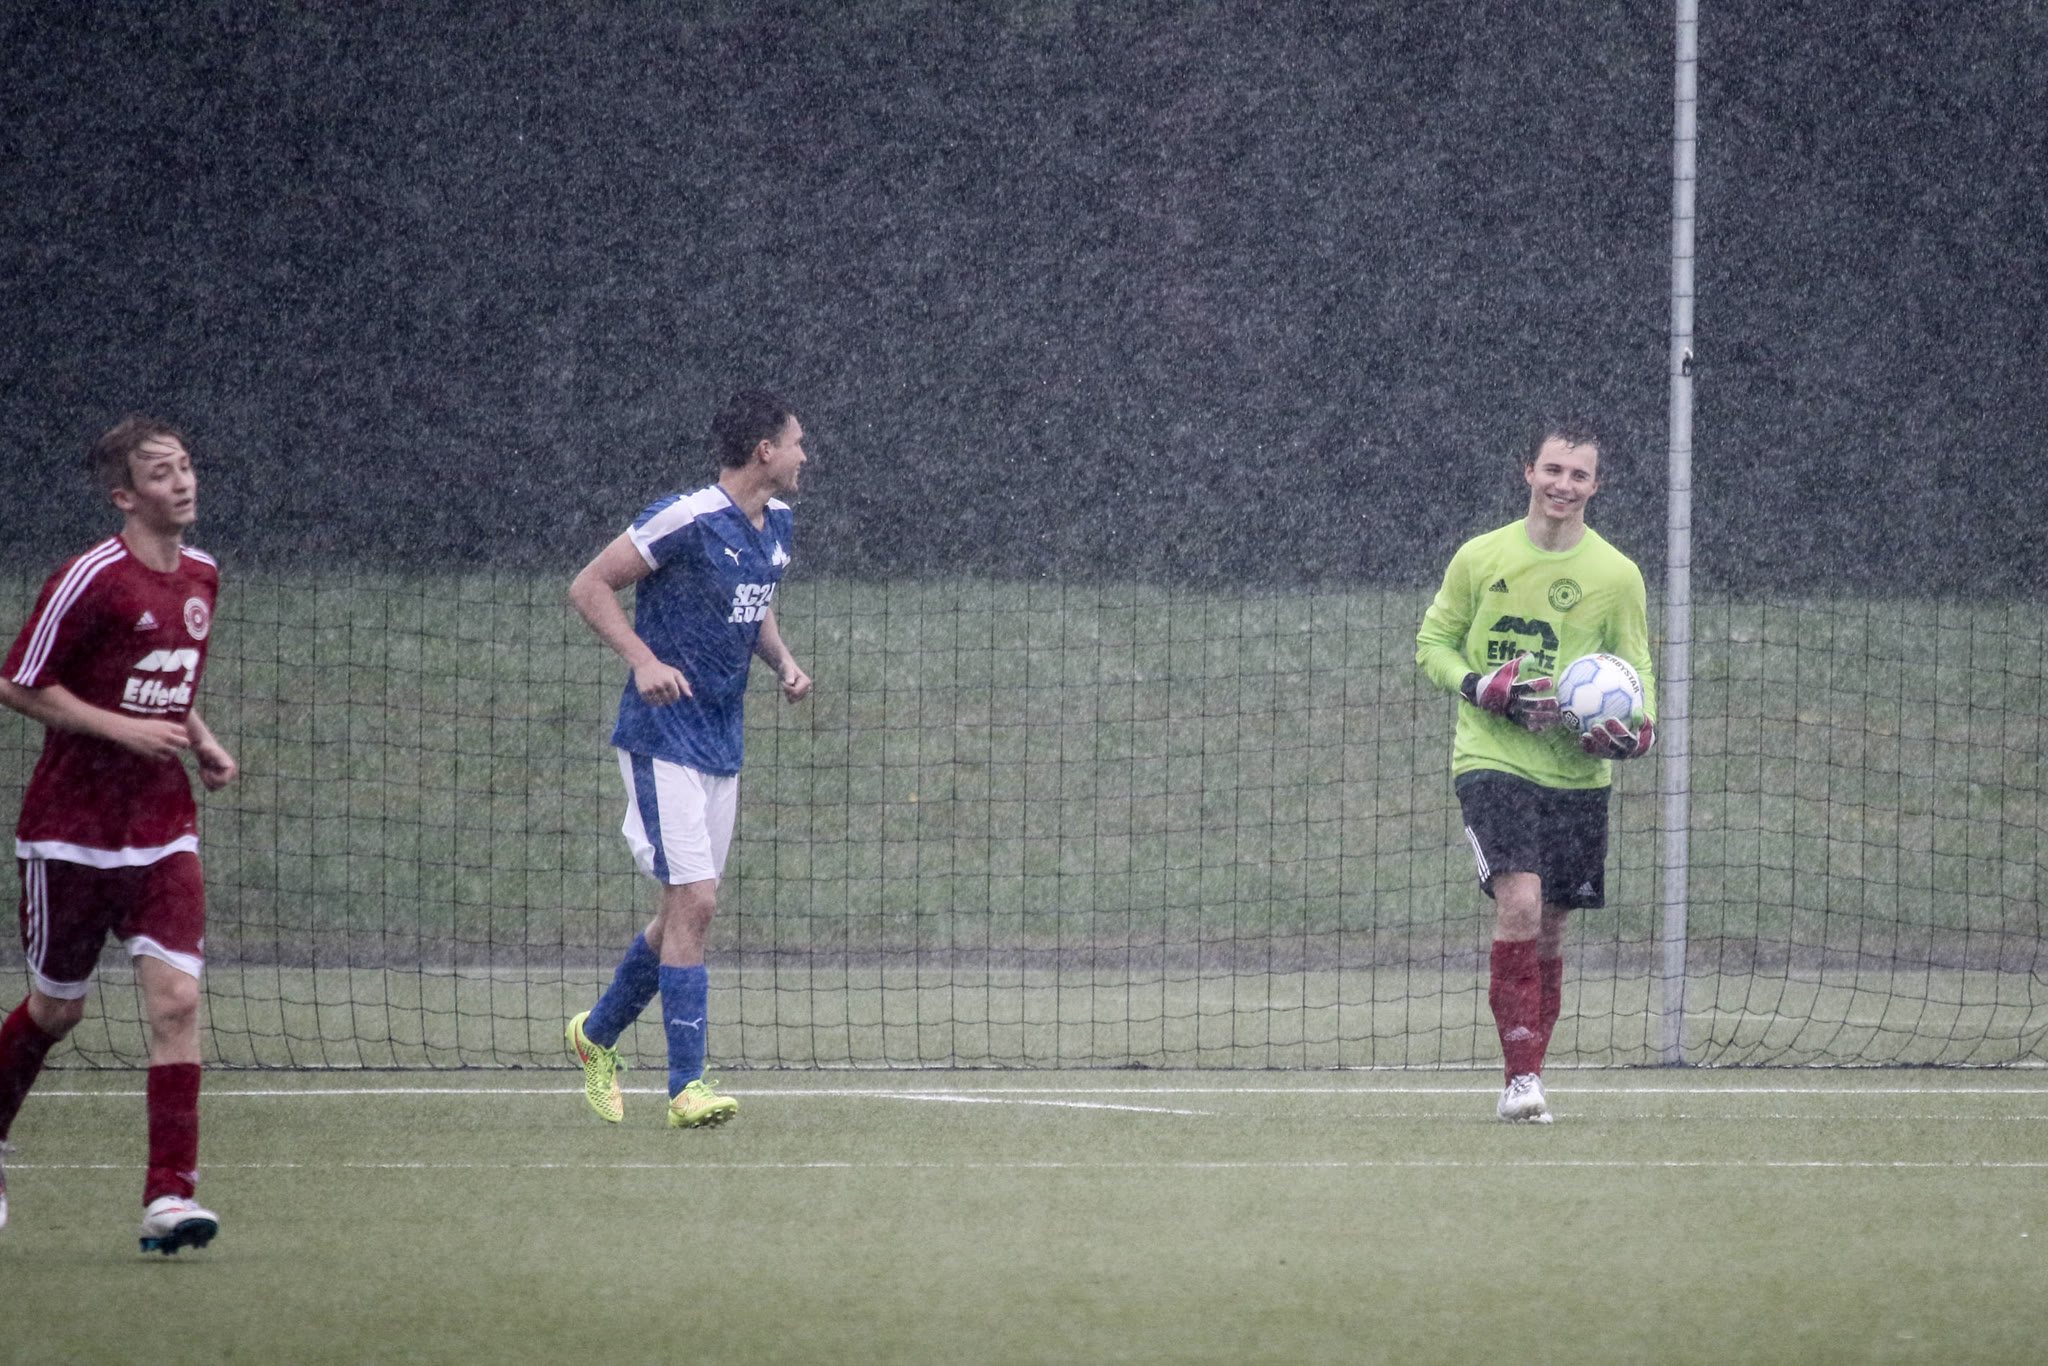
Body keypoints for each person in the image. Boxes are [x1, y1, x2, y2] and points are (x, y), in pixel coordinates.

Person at [0, 416, 238, 1251]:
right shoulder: (91, 577)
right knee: (56, 1009)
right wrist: (120, 730)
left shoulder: (204, 575)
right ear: (124, 497)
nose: (183, 482)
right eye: (162, 473)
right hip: (70, 832)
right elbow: (19, 682)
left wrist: (199, 740)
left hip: (163, 828)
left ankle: (169, 1198)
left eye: (186, 466)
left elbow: (162, 681)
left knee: (177, 1001)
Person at [564, 391, 812, 1129]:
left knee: (682, 910)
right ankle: (685, 1088)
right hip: (662, 736)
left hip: (721, 743)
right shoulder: (685, 517)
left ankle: (596, 1034)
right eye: (797, 442)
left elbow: (753, 603)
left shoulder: (777, 524)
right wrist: (643, 660)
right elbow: (589, 585)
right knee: (697, 903)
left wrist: (783, 662)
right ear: (765, 450)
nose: (805, 455)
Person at [1415, 418, 1657, 1124]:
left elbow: (1636, 668)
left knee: (1550, 927)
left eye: (1579, 475)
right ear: (1528, 472)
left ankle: (1530, 1073)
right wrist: (1479, 686)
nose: (1563, 485)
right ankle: (1521, 1082)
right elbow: (1432, 643)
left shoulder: (1616, 575)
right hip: (1492, 759)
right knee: (1519, 902)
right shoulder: (1480, 557)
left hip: (1577, 776)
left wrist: (1639, 729)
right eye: (1553, 470)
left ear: (1596, 486)